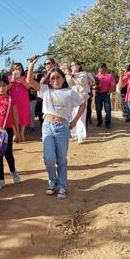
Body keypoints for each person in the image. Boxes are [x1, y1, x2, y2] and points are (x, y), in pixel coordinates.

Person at [27, 57, 86, 199]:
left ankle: (62, 186)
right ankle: (52, 181)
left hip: (62, 127)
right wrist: (31, 65)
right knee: (48, 158)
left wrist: (74, 121)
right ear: (49, 80)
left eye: (58, 78)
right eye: (52, 78)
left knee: (61, 160)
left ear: (63, 79)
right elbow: (29, 82)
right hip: (47, 126)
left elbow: (83, 104)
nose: (55, 81)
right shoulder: (45, 90)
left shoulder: (69, 92)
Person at [66, 61, 92, 143]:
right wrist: (71, 76)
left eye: (75, 65)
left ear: (79, 66)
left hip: (81, 98)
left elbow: (81, 83)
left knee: (81, 117)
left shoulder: (84, 74)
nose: (74, 66)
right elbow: (69, 83)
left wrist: (73, 76)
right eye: (72, 65)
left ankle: (81, 136)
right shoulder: (68, 76)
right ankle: (74, 134)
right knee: (72, 116)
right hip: (71, 98)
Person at [8, 63, 31, 141]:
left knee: (23, 115)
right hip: (13, 100)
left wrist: (21, 79)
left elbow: (28, 86)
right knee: (13, 116)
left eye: (19, 69)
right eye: (14, 69)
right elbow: (7, 88)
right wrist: (13, 79)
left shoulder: (24, 78)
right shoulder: (9, 78)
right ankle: (16, 133)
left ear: (22, 70)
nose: (17, 70)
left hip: (23, 100)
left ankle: (22, 133)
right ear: (12, 70)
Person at [94, 63, 116, 129]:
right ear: (98, 69)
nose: (101, 70)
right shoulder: (96, 76)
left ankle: (108, 123)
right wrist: (94, 87)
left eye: (102, 68)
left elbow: (113, 85)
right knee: (98, 109)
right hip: (98, 94)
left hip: (106, 94)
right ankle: (99, 121)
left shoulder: (109, 76)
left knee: (108, 109)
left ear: (105, 69)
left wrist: (109, 92)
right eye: (100, 68)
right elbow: (92, 85)